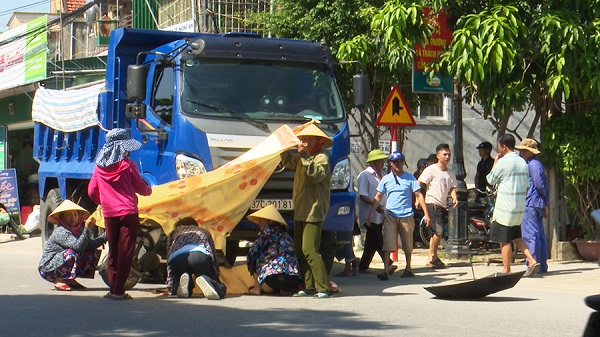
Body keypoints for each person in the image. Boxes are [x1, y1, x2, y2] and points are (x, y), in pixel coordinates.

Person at [88, 128, 152, 300]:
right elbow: (141, 188)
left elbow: (91, 192)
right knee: (126, 253)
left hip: (109, 215)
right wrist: (148, 191)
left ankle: (113, 289)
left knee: (113, 252)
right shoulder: (128, 165)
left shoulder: (99, 168)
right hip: (128, 213)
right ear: (121, 147)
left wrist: (104, 201)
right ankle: (119, 291)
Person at [281, 123, 333, 298]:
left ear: (318, 141)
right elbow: (288, 162)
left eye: (308, 139)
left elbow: (317, 175)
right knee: (300, 250)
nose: (304, 142)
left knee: (310, 249)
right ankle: (309, 286)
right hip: (301, 209)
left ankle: (324, 287)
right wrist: (283, 147)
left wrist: (303, 155)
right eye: (302, 138)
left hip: (314, 210)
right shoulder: (304, 157)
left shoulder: (322, 158)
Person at [367, 151, 429, 280]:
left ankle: (408, 267)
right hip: (390, 215)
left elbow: (419, 195)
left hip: (406, 215)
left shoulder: (410, 178)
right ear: (390, 164)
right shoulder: (386, 179)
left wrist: (426, 213)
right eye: (396, 162)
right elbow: (378, 197)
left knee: (407, 243)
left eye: (401, 161)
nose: (399, 164)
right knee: (388, 242)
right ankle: (385, 270)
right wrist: (370, 215)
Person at [487, 134, 540, 276]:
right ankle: (532, 259)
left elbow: (490, 179)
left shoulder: (503, 162)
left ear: (503, 146)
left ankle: (506, 269)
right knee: (516, 236)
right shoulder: (522, 162)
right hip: (518, 206)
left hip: (505, 207)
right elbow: (527, 186)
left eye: (498, 145)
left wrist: (496, 162)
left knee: (504, 239)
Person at [38, 200, 106, 291]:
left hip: (60, 262)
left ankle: (69, 279)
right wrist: (87, 228)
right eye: (69, 215)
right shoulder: (61, 231)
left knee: (91, 252)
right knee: (72, 253)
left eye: (75, 214)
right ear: (62, 218)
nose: (73, 217)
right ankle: (59, 279)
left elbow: (89, 245)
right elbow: (78, 247)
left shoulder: (78, 230)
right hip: (48, 268)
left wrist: (106, 235)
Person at [246, 205, 302, 295]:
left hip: (272, 277)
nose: (259, 222)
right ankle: (284, 289)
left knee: (257, 256)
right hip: (294, 279)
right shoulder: (284, 233)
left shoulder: (267, 232)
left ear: (270, 221)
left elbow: (253, 252)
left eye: (262, 219)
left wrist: (250, 267)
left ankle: (257, 288)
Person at [166, 217, 226, 299]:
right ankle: (208, 281)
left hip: (177, 258)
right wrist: (214, 272)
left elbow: (169, 250)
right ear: (195, 224)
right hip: (198, 255)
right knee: (210, 278)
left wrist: (171, 284)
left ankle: (183, 285)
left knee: (180, 278)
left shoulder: (174, 232)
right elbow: (212, 252)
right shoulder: (203, 231)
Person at [418, 143, 457, 268]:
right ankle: (432, 256)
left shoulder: (450, 172)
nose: (447, 157)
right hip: (432, 202)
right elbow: (420, 182)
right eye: (444, 154)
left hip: (442, 204)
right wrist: (419, 198)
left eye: (448, 154)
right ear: (438, 155)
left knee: (436, 232)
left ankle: (432, 256)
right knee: (438, 231)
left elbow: (452, 187)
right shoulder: (431, 169)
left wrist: (454, 197)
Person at [515, 138, 549, 274]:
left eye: (524, 150)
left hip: (530, 202)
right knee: (539, 234)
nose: (522, 152)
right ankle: (541, 265)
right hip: (537, 202)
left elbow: (539, 185)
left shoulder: (532, 165)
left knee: (530, 235)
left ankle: (533, 264)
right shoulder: (535, 163)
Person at [357, 149, 390, 273]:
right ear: (374, 162)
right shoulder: (365, 175)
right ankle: (389, 263)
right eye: (381, 160)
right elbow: (362, 195)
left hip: (382, 213)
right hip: (369, 214)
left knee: (371, 241)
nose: (383, 163)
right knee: (378, 239)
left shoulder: (384, 174)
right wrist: (375, 205)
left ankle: (363, 265)